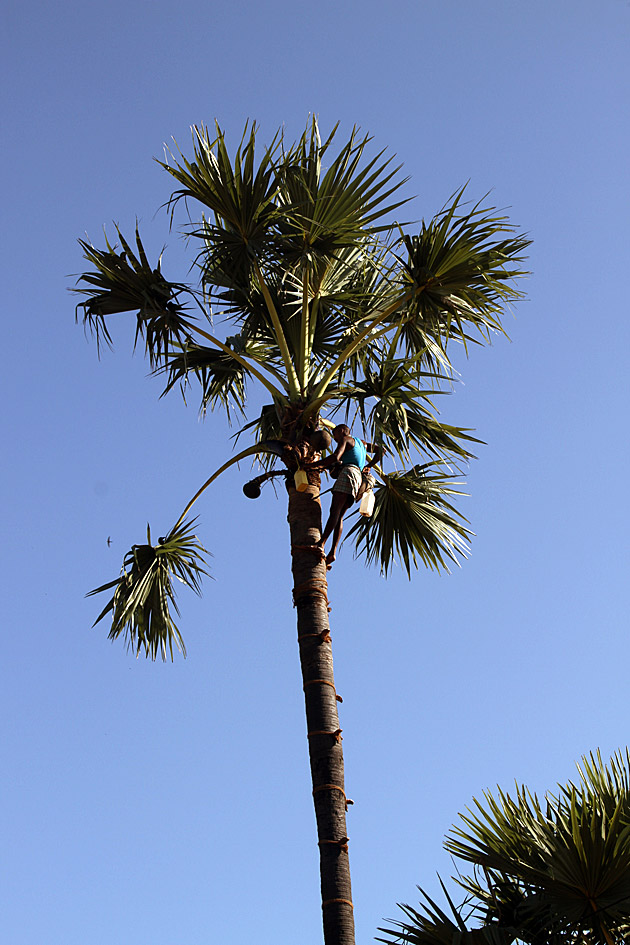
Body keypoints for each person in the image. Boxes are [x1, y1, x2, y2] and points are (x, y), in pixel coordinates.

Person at [306, 424, 382, 569]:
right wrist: (369, 465)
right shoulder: (362, 443)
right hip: (358, 479)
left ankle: (321, 543)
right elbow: (381, 450)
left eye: (335, 436)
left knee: (334, 511)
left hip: (348, 474)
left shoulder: (346, 439)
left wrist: (311, 466)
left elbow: (335, 456)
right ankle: (332, 552)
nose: (335, 440)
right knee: (339, 516)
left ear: (341, 431)